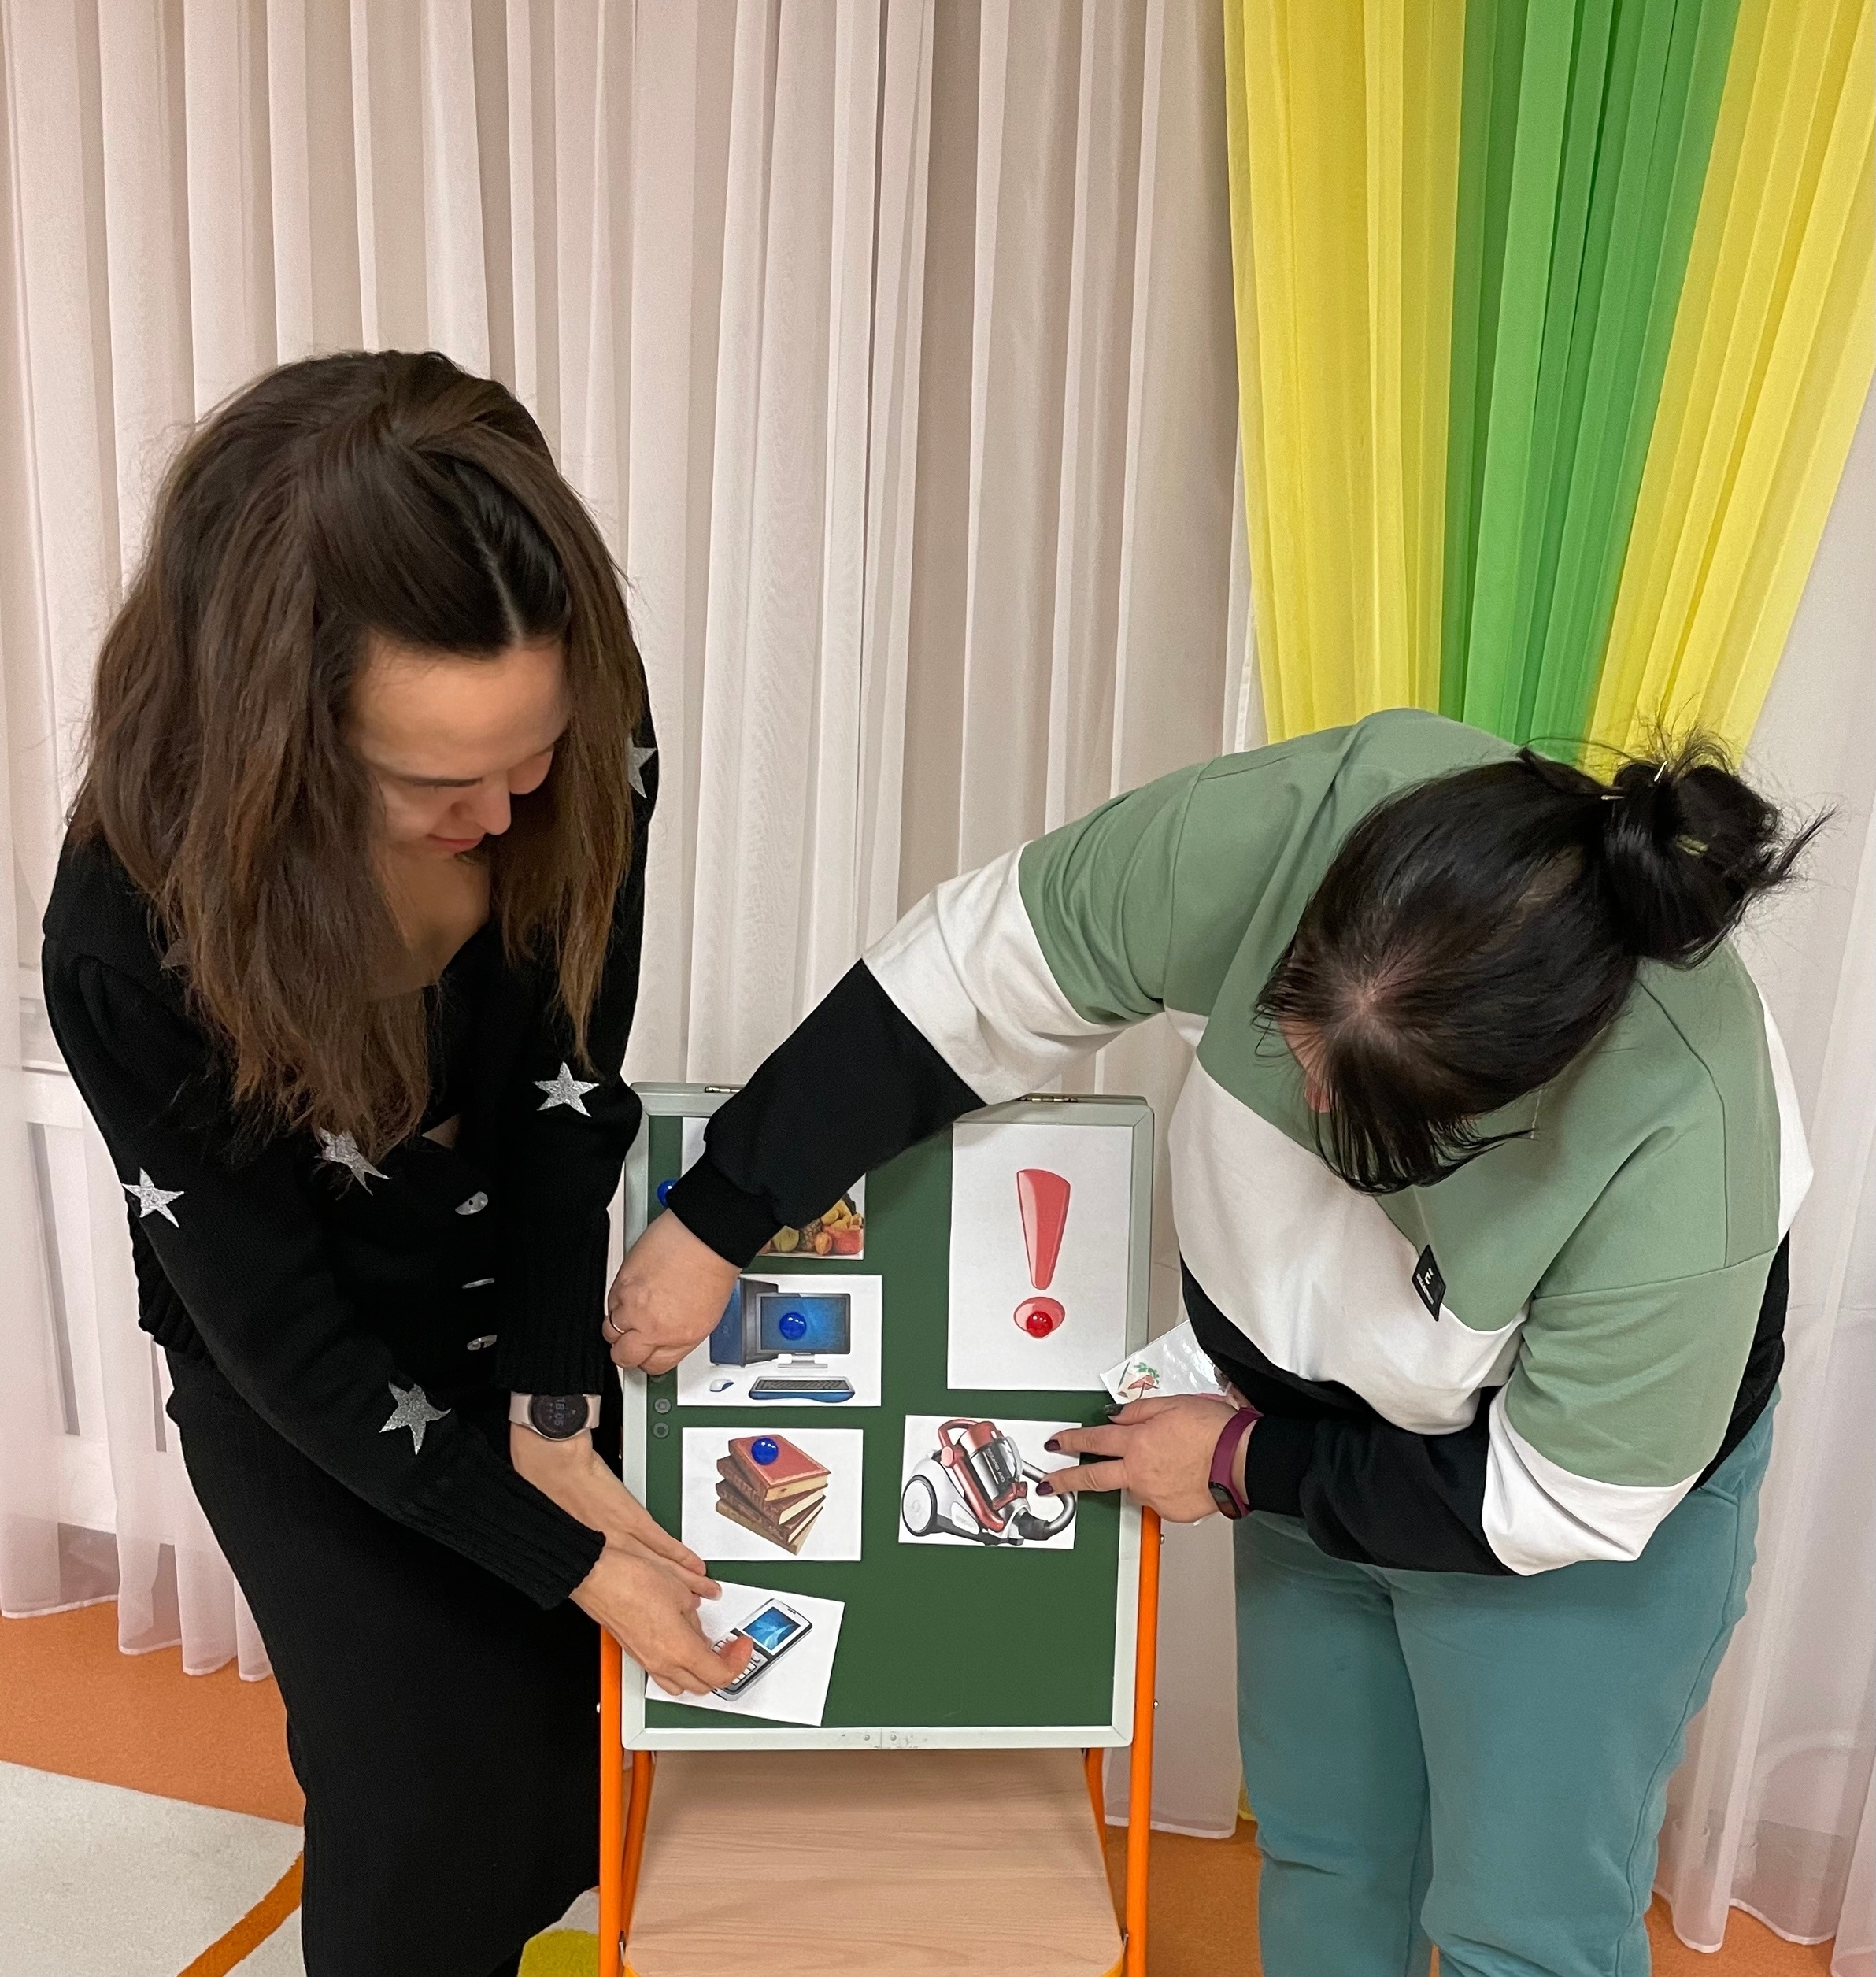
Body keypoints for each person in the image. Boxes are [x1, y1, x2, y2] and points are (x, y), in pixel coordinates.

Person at [606, 708, 1814, 1977]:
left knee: (1521, 1924)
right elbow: (963, 979)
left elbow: (1561, 1496)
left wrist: (1243, 1462)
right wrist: (721, 1213)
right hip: (1291, 1425)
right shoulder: (1290, 827)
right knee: (1327, 1851)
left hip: (1534, 1494)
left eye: (1370, 1118)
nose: (1310, 1106)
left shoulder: (1686, 1142)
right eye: (1296, 1041)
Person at [43, 350, 745, 1977]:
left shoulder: (582, 739)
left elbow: (569, 1093)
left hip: (506, 1299)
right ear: (278, 743)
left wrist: (554, 1411)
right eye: (435, 781)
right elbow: (284, 1341)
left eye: (533, 752)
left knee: (565, 1766)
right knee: (420, 1796)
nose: (505, 808)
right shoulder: (132, 930)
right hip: (301, 1378)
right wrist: (566, 1554)